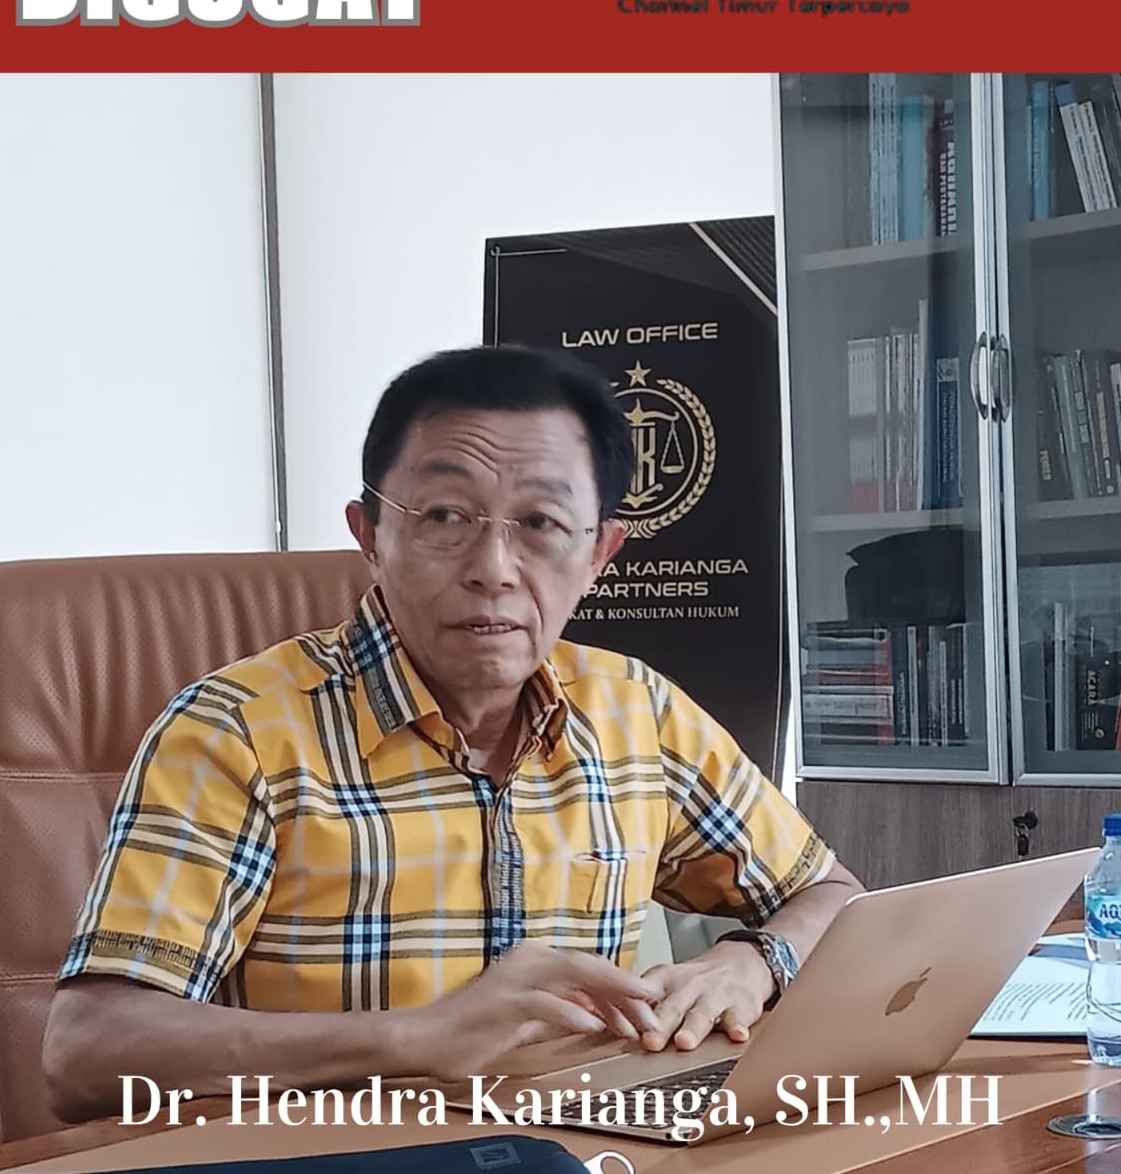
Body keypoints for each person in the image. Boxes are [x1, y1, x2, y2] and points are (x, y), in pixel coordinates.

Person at [44, 346, 862, 1121]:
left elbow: (830, 895)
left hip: (579, 1144)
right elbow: (86, 1051)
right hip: (330, 1153)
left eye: (540, 522)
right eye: (443, 515)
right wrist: (410, 1039)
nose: (492, 568)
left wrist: (752, 962)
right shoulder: (239, 732)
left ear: (599, 552)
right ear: (369, 535)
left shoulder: (635, 713)